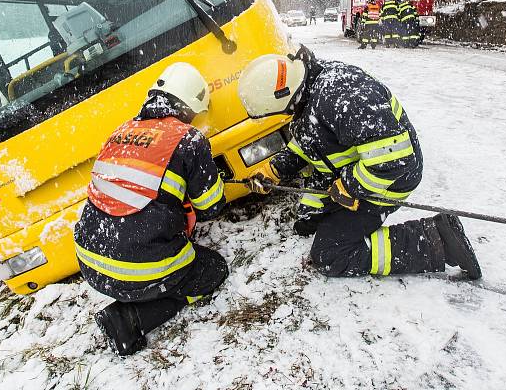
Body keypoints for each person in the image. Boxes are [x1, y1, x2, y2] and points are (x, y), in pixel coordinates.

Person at [237, 47, 481, 280]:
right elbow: (312, 139)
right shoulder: (309, 89)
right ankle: (334, 216)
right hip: (355, 170)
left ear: (283, 97)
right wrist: (275, 169)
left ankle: (437, 240)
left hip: (388, 179)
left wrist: (351, 187)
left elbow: (395, 160)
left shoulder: (342, 98)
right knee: (306, 223)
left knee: (329, 254)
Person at [73, 62, 228, 355]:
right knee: (211, 269)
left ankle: (138, 295)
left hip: (90, 265)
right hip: (136, 268)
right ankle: (128, 319)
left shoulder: (120, 132)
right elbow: (211, 206)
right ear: (189, 106)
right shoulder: (188, 139)